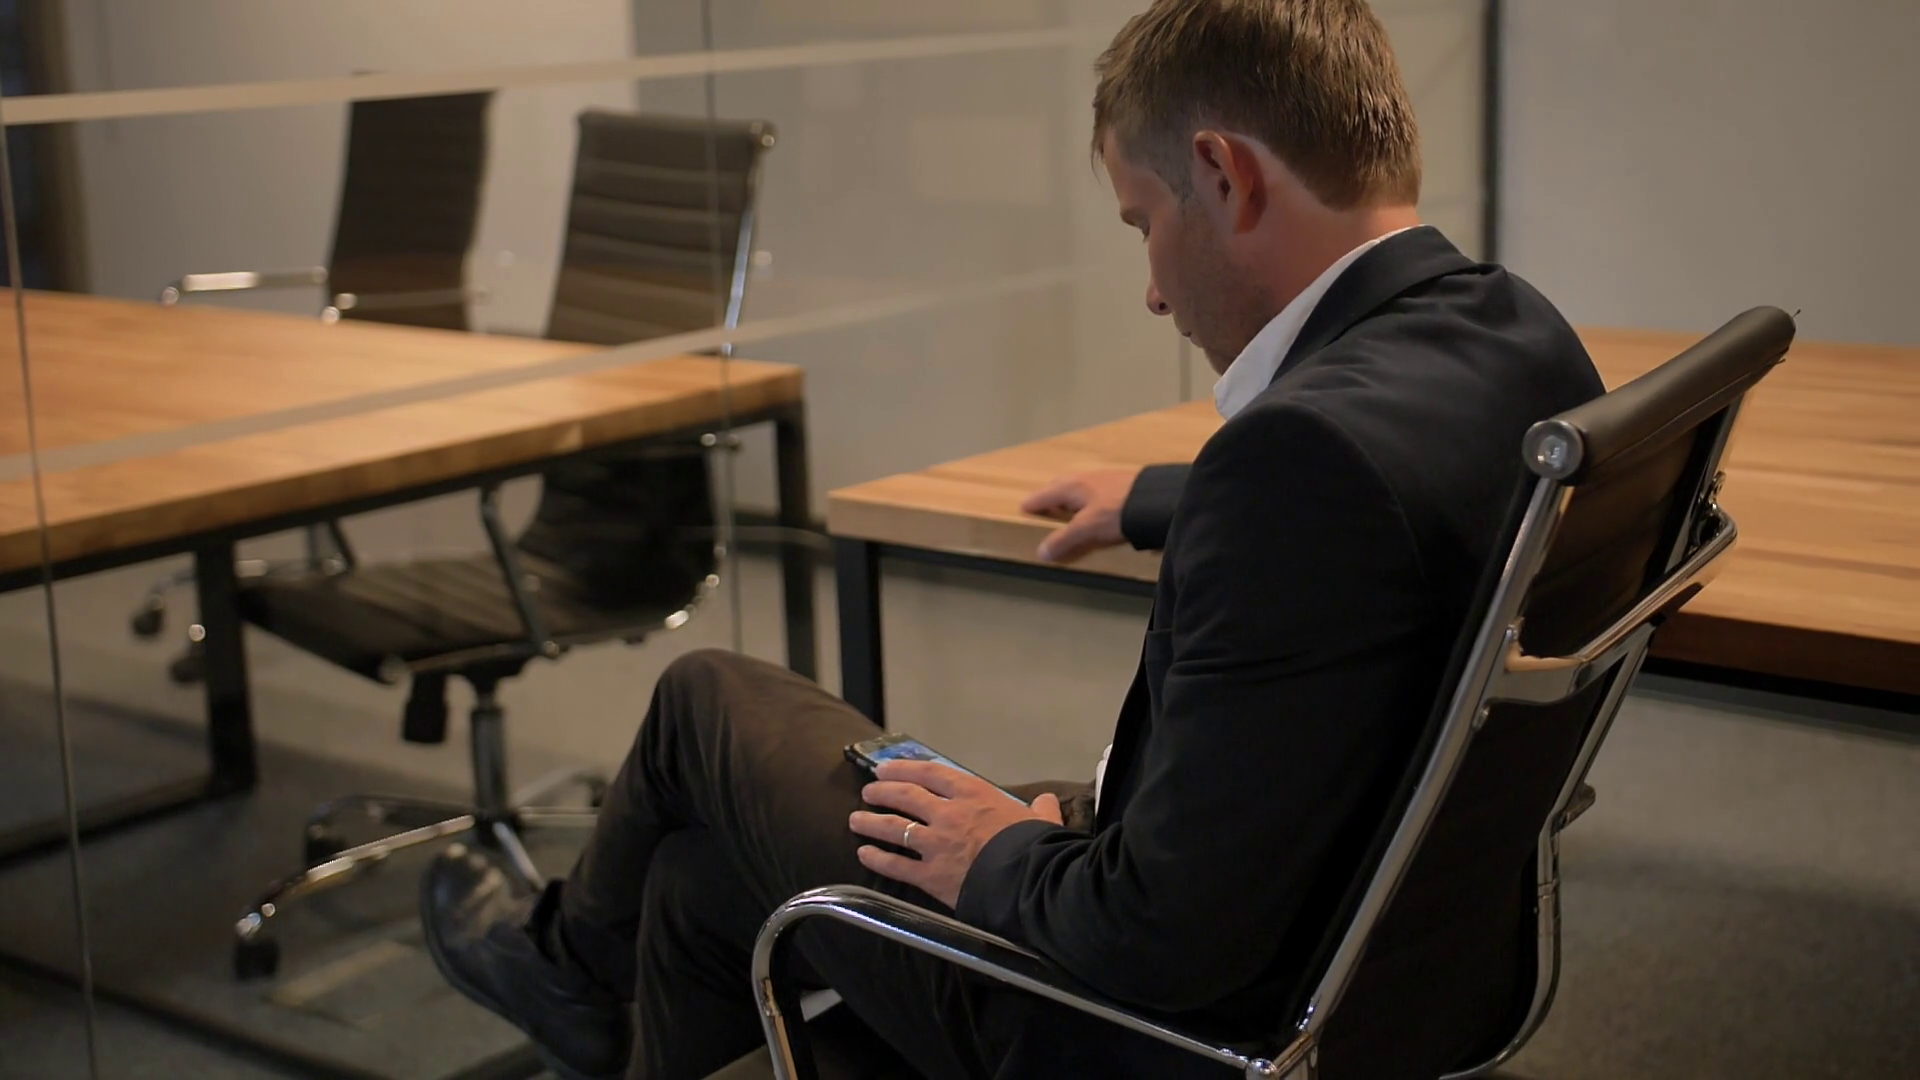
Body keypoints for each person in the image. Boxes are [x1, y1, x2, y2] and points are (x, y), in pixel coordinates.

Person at [422, 1, 1605, 1077]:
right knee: (694, 883)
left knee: (703, 703)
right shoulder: (1518, 340)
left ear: (1223, 174)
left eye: (1145, 224)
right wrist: (1169, 496)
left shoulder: (1298, 468)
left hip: (1150, 1026)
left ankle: (564, 972)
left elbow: (1158, 939)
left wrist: (1005, 861)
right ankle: (594, 1005)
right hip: (1399, 965)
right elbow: (1390, 509)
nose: (1154, 291)